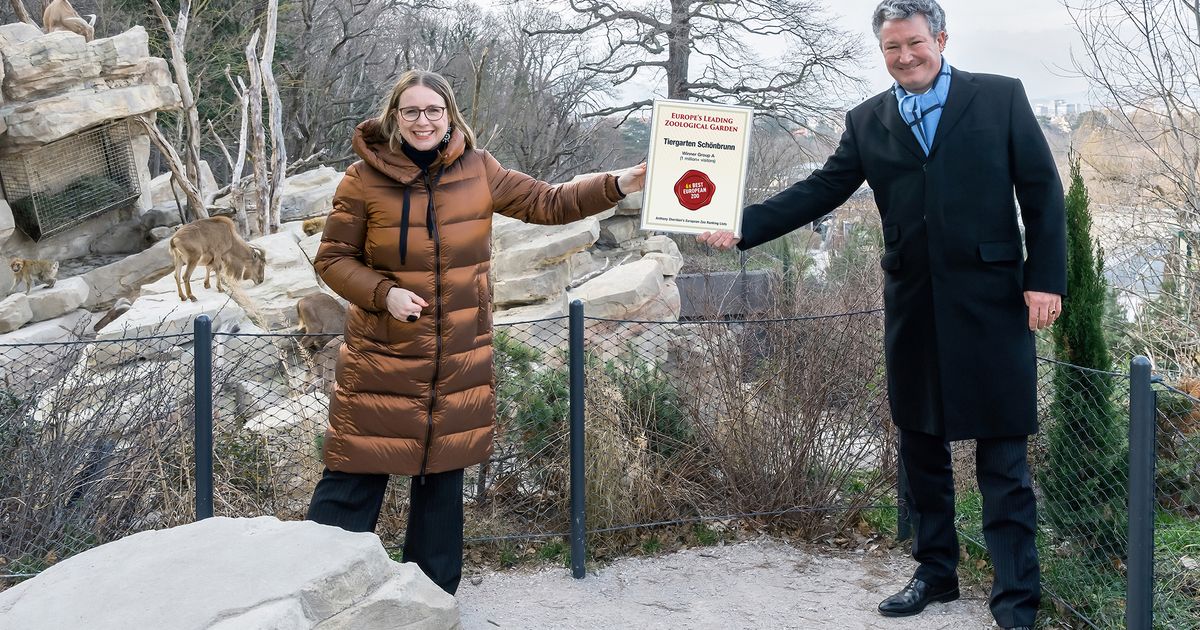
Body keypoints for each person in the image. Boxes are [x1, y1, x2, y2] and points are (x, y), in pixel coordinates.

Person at [698, 2, 1065, 628]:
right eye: (891, 47)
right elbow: (821, 188)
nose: (904, 57)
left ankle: (1016, 600)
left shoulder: (1001, 98)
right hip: (913, 307)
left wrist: (1044, 281)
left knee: (1003, 458)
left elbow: (1041, 189)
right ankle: (936, 572)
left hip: (993, 304)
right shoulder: (868, 120)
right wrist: (743, 224)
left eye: (914, 43)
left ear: (940, 39)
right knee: (921, 449)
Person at [306, 69, 646, 595]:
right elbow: (332, 260)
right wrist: (383, 293)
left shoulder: (479, 170)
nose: (423, 121)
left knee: (441, 493)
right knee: (352, 481)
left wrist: (619, 183)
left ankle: (431, 607)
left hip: (458, 361)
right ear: (395, 116)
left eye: (433, 111)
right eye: (412, 111)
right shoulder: (362, 178)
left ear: (450, 116)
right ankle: (314, 597)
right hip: (383, 359)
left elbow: (549, 202)